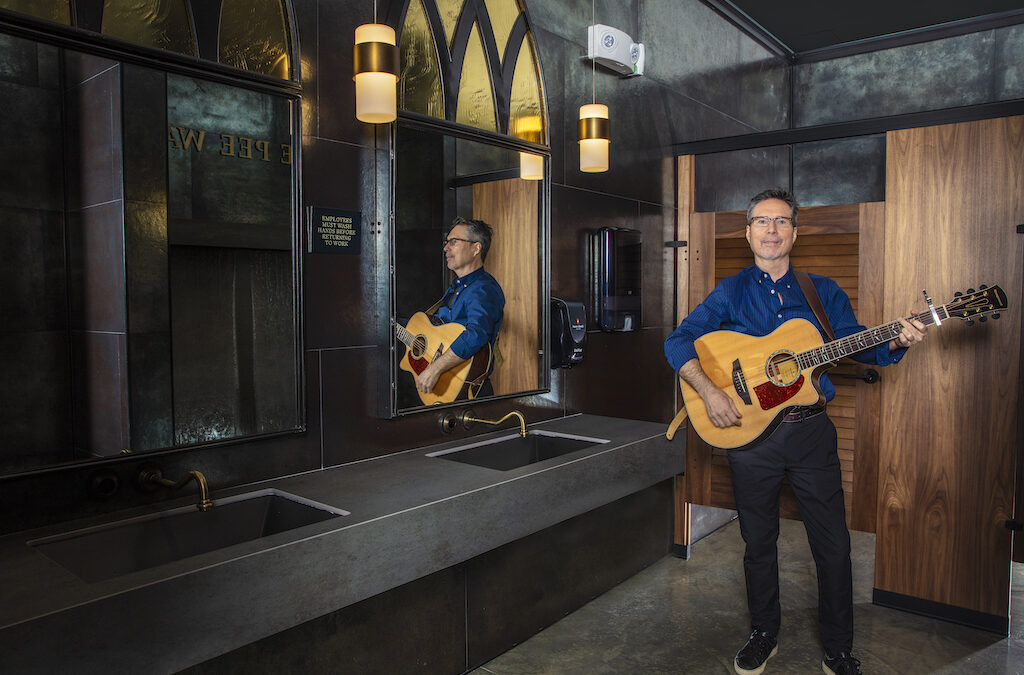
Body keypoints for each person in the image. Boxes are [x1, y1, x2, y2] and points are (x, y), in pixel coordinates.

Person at [664, 188, 926, 675]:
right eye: (762, 222)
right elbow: (678, 339)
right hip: (749, 437)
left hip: (810, 436)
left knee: (833, 546)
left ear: (794, 233)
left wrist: (897, 339)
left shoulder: (821, 291)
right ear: (747, 233)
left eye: (781, 222)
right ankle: (764, 634)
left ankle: (839, 648)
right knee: (758, 542)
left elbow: (857, 347)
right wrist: (711, 391)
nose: (771, 230)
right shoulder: (729, 292)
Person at [416, 217, 504, 398]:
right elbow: (440, 329)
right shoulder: (456, 287)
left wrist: (435, 368)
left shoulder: (483, 289)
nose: (446, 248)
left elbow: (475, 334)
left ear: (476, 248)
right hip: (447, 388)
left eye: (453, 242)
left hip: (469, 393)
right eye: (446, 242)